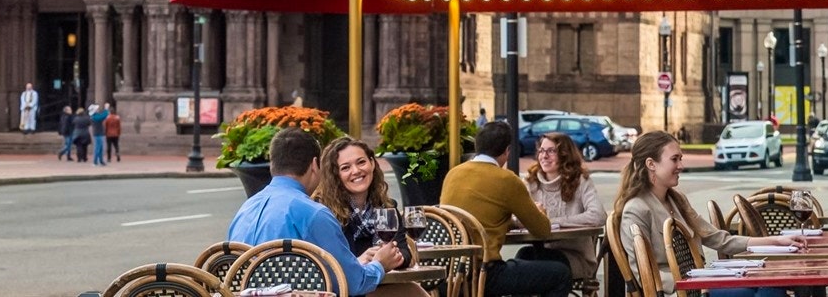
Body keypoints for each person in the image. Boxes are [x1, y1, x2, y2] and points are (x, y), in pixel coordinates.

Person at [616, 131, 798, 297]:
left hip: (700, 283)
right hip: (680, 292)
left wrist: (775, 241)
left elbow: (718, 239)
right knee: (761, 292)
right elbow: (642, 273)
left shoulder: (677, 200)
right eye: (674, 159)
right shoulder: (636, 209)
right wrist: (694, 283)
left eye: (681, 159)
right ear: (651, 164)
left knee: (771, 285)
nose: (681, 165)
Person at [229, 128, 404, 297]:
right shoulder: (314, 214)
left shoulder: (245, 209)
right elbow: (353, 283)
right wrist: (380, 264)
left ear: (273, 165)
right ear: (314, 165)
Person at [442, 121, 572, 297]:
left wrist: (506, 222)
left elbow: (479, 216)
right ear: (507, 151)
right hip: (484, 274)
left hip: (450, 274)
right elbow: (542, 230)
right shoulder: (507, 180)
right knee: (560, 274)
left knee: (524, 259)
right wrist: (540, 211)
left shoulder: (453, 174)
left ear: (477, 145)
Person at [312, 137, 424, 297]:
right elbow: (326, 266)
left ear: (372, 163)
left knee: (411, 290)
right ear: (335, 175)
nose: (356, 171)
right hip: (342, 291)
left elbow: (405, 254)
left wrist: (387, 257)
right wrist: (359, 261)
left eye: (361, 162)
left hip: (375, 285)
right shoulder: (324, 212)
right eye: (345, 168)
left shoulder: (386, 207)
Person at [522, 132, 605, 281]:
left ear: (565, 155)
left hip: (576, 256)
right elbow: (517, 216)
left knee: (537, 271)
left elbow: (598, 216)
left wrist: (554, 222)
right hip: (542, 252)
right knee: (523, 257)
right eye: (541, 150)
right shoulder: (531, 182)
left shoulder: (580, 181)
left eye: (551, 151)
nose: (544, 156)